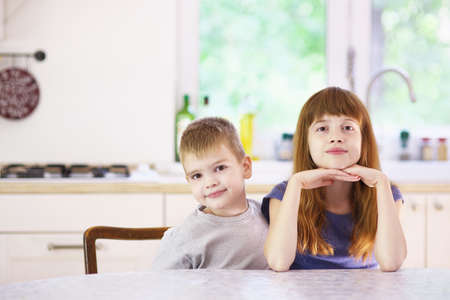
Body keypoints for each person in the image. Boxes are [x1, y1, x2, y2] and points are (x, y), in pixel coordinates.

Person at [263, 87, 407, 272]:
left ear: (364, 140)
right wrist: (296, 184)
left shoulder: (387, 192)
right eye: (322, 129)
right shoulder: (284, 194)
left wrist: (382, 183)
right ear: (306, 143)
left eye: (348, 128)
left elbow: (392, 262)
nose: (336, 137)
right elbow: (278, 262)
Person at [152, 117, 268, 269]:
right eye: (197, 176)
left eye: (220, 168)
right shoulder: (184, 238)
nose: (210, 183)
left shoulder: (269, 216)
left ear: (245, 167)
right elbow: (162, 287)